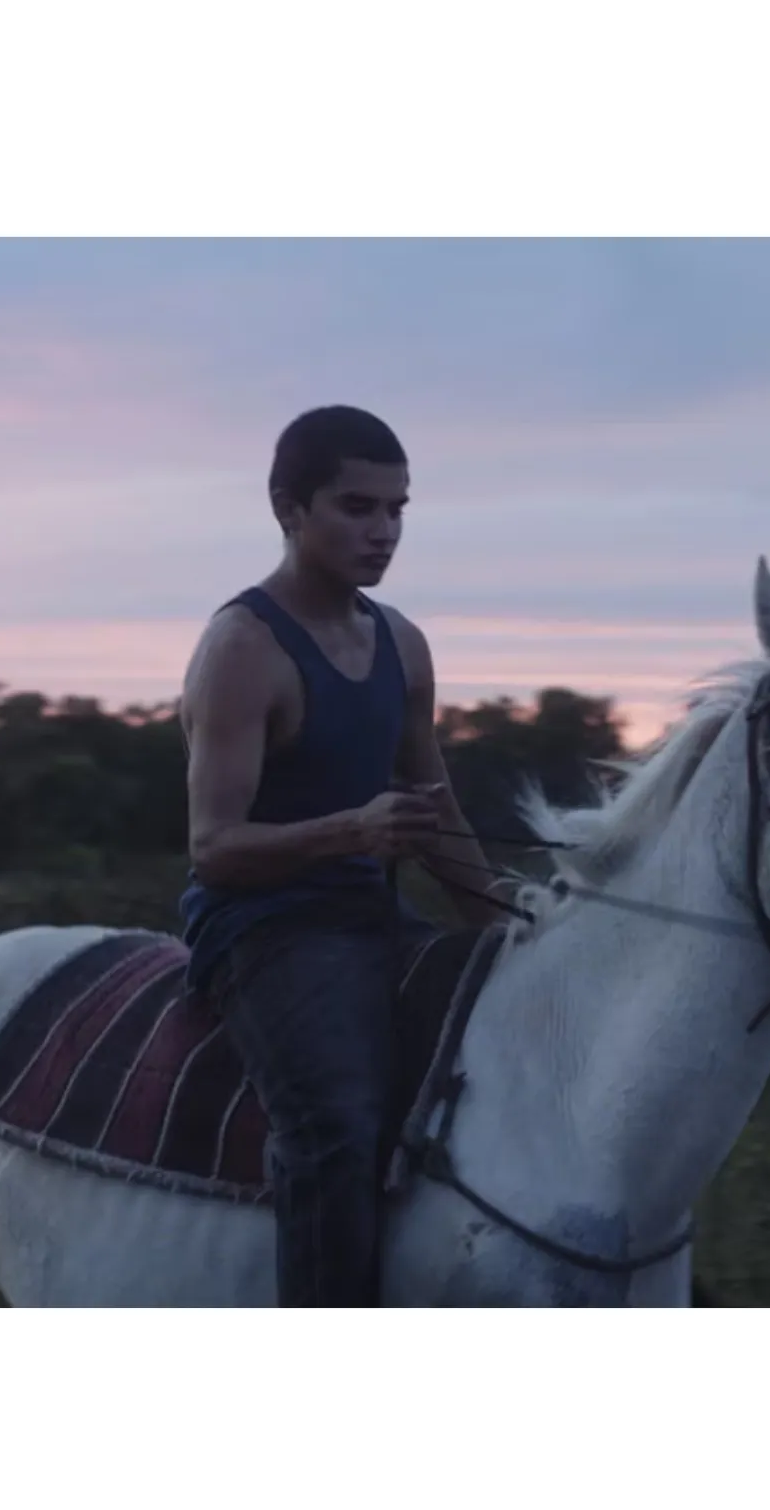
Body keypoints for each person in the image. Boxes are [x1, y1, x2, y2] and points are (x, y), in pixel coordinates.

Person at [177, 404, 504, 1306]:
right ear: (289, 507)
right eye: (357, 508)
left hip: (372, 916)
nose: (384, 531)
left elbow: (435, 815)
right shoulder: (242, 648)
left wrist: (514, 922)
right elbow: (214, 851)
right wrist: (351, 832)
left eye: (398, 509)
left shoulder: (403, 644)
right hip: (266, 927)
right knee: (335, 1129)